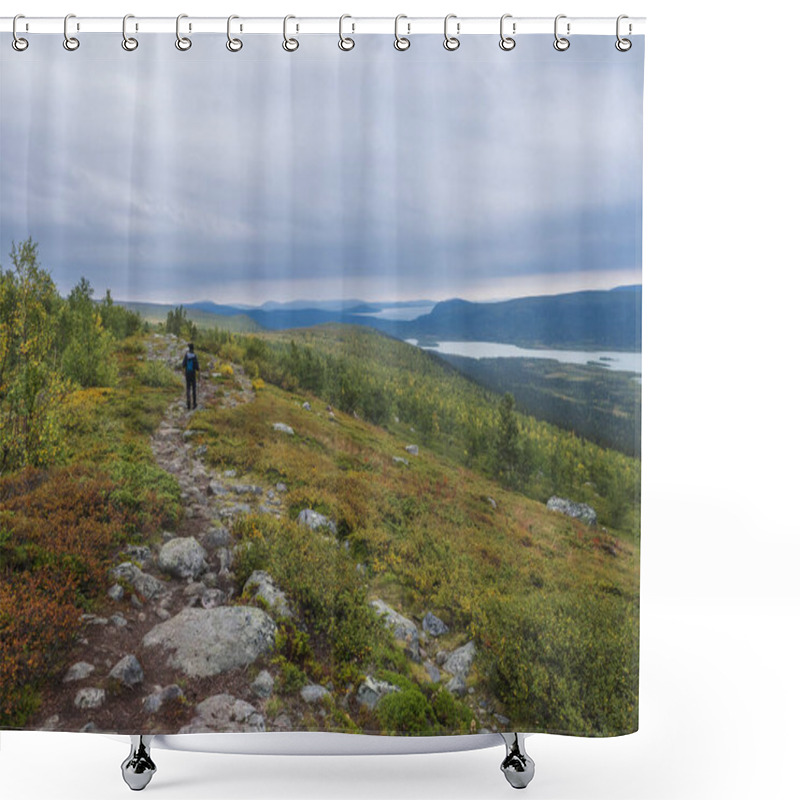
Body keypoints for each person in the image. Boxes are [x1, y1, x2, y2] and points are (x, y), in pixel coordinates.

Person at [182, 343, 199, 410]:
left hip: (187, 374)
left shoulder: (186, 355)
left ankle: (188, 403)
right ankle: (194, 403)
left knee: (188, 388)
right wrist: (197, 368)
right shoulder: (194, 356)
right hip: (193, 374)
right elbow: (197, 367)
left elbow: (183, 365)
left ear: (189, 348)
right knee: (194, 388)